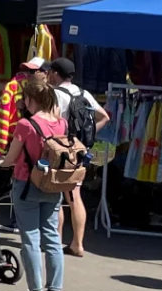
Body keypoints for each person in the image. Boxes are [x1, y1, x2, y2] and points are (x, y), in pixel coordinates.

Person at [2, 79, 69, 291]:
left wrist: (1, 163)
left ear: (31, 99)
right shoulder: (61, 123)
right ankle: (54, 290)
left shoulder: (26, 124)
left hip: (26, 183)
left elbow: (11, 157)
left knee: (30, 237)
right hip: (53, 184)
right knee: (51, 236)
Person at [44, 58, 107, 257]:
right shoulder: (83, 93)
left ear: (54, 73)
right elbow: (104, 116)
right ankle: (77, 244)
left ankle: (56, 241)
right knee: (75, 196)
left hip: (60, 150)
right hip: (78, 152)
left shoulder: (54, 94)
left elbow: (49, 122)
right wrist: (84, 140)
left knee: (56, 195)